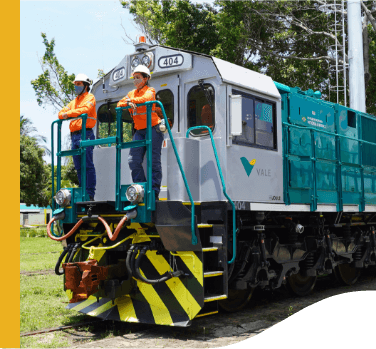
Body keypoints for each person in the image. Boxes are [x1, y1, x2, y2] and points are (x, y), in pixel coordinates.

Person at [117, 65, 164, 200]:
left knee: (154, 161)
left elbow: (146, 99)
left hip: (153, 129)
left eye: (138, 77)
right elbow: (119, 104)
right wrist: (127, 102)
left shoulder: (151, 90)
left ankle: (154, 192)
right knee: (133, 160)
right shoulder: (131, 93)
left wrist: (130, 101)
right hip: (139, 130)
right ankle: (141, 190)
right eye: (134, 78)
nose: (135, 80)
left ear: (146, 78)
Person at [58, 73, 97, 201]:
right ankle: (83, 192)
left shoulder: (90, 97)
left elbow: (84, 110)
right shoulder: (74, 102)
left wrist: (68, 114)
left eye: (78, 84)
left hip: (86, 134)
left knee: (87, 165)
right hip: (74, 136)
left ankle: (89, 194)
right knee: (79, 167)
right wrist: (67, 114)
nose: (76, 87)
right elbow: (60, 114)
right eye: (75, 84)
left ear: (86, 86)